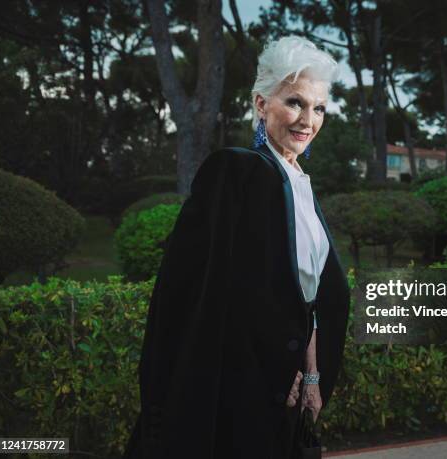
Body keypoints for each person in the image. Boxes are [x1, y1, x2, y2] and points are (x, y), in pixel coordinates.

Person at [122, 35, 350, 459]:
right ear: (261, 104)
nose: (308, 120)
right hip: (237, 385)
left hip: (290, 387)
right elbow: (204, 293)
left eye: (318, 108)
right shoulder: (235, 172)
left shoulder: (301, 184)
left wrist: (312, 376)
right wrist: (276, 373)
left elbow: (308, 297)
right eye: (295, 102)